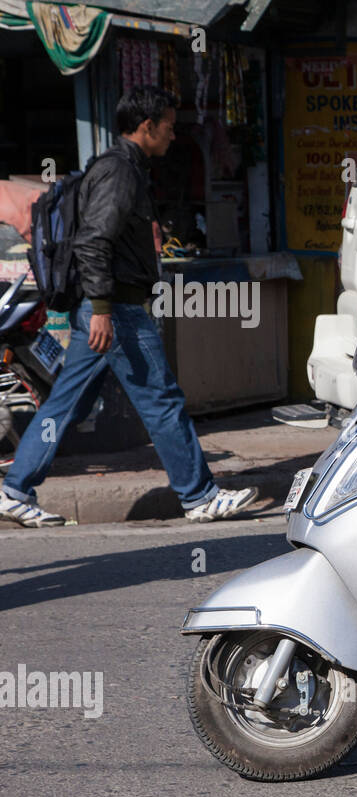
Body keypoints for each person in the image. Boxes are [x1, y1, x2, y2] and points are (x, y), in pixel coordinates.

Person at [0, 86, 257, 527]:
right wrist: (101, 308)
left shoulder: (121, 167)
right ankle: (199, 496)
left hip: (103, 309)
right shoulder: (119, 172)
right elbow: (94, 241)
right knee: (162, 400)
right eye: (170, 128)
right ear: (146, 126)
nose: (173, 137)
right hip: (115, 311)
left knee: (66, 403)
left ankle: (14, 489)